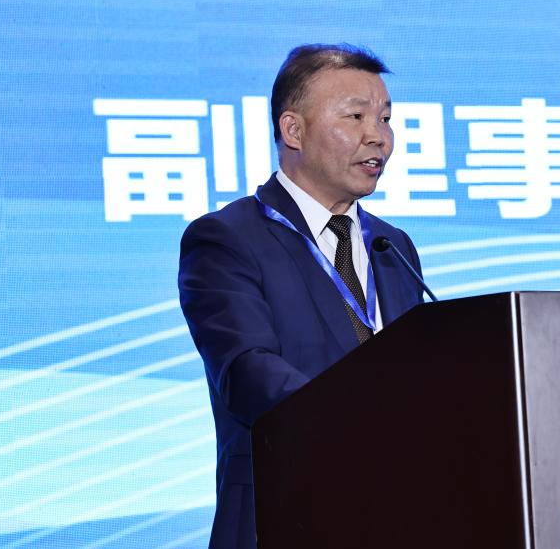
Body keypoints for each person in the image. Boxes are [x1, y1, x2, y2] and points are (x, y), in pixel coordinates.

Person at [178, 43, 427, 549]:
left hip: (398, 516)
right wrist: (372, 427)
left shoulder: (392, 246)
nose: (377, 136)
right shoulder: (227, 239)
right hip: (283, 515)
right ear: (293, 130)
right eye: (355, 116)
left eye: (385, 118)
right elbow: (249, 373)